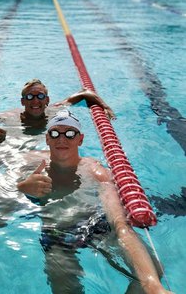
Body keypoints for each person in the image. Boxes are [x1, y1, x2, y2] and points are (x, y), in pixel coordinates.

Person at [16, 109, 171, 294]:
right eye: (55, 133)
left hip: (97, 226)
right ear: (47, 138)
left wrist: (151, 284)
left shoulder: (95, 171)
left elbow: (120, 225)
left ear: (80, 139)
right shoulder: (33, 164)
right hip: (57, 235)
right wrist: (22, 188)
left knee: (154, 271)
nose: (62, 139)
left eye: (70, 133)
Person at [0, 78, 115, 145]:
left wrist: (106, 107)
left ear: (47, 99)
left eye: (41, 96)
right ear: (23, 102)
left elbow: (85, 92)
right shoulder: (8, 118)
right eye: (30, 97)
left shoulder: (55, 109)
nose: (36, 101)